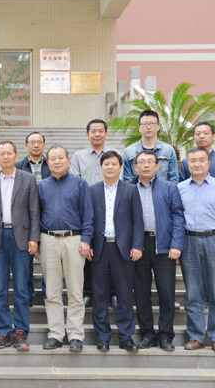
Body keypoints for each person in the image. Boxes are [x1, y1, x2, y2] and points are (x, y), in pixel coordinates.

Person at [178, 147, 215, 353]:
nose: (197, 164)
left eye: (201, 160)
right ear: (187, 164)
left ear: (208, 163)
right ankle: (195, 336)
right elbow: (176, 221)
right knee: (192, 292)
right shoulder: (179, 188)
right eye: (192, 160)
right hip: (189, 241)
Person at [0, 141, 40, 351]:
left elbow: (34, 211)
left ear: (16, 155)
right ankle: (3, 331)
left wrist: (34, 238)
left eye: (9, 153)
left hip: (21, 238)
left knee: (21, 289)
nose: (6, 156)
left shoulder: (28, 179)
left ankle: (20, 331)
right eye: (2, 153)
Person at [39, 146, 94, 352]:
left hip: (74, 240)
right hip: (48, 240)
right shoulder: (41, 186)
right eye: (52, 158)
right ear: (47, 163)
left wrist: (86, 239)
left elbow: (88, 213)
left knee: (75, 290)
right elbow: (36, 214)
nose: (57, 161)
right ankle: (55, 334)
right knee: (52, 292)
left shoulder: (80, 184)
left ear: (68, 160)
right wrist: (36, 240)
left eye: (60, 157)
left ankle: (75, 335)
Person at [179, 121, 215, 310]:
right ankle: (200, 300)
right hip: (191, 230)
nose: (201, 136)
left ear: (213, 136)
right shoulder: (187, 163)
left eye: (205, 133)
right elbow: (182, 186)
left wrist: (210, 191)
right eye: (198, 133)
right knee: (194, 276)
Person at [89, 151, 143, 352]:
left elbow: (138, 220)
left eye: (114, 164)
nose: (110, 167)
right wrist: (87, 243)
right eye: (106, 164)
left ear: (121, 168)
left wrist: (137, 245)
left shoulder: (131, 190)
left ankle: (126, 337)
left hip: (124, 250)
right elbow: (88, 219)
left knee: (125, 294)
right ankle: (103, 336)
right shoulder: (92, 190)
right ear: (101, 167)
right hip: (99, 248)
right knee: (99, 295)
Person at [132, 150, 185, 351]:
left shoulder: (170, 188)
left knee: (166, 292)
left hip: (164, 245)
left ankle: (165, 335)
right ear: (135, 167)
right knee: (141, 293)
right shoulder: (129, 189)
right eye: (141, 162)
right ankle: (147, 334)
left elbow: (178, 216)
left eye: (150, 161)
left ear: (157, 166)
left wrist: (176, 244)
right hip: (139, 246)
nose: (146, 165)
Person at [70, 119, 119, 309]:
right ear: (87, 134)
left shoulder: (115, 154)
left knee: (113, 253)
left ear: (106, 133)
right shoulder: (78, 156)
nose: (97, 134)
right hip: (87, 208)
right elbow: (75, 183)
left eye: (100, 131)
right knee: (88, 250)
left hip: (112, 206)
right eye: (93, 131)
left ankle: (113, 293)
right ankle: (88, 293)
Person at [15, 131, 50, 307]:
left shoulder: (52, 165)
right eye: (32, 142)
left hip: (48, 217)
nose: (36, 145)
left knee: (48, 262)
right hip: (25, 220)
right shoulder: (18, 167)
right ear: (26, 146)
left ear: (44, 145)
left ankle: (47, 295)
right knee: (25, 260)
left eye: (39, 142)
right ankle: (28, 295)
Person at [122, 110, 178, 183]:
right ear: (139, 128)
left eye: (152, 123)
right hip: (137, 190)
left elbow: (174, 179)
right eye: (144, 124)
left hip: (163, 190)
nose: (148, 127)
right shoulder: (128, 152)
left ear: (158, 127)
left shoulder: (169, 150)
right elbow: (128, 182)